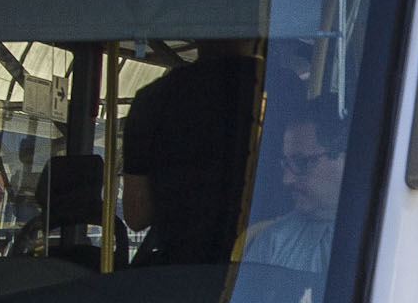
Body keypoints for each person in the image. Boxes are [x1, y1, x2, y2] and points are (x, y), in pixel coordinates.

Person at [119, 40, 263, 266]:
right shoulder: (285, 92)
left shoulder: (152, 100)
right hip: (265, 269)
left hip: (181, 273)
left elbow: (137, 215)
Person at [242, 103, 345, 276]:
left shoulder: (392, 239)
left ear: (344, 160)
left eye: (302, 162)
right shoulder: (272, 242)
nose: (287, 180)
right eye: (286, 164)